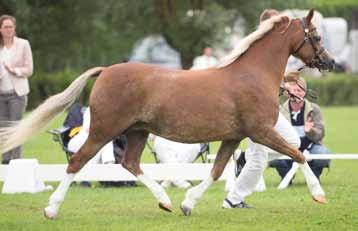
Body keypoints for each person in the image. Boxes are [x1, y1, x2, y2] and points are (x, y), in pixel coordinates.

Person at [222, 9, 326, 209]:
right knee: (259, 157)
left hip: (269, 110)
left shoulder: (273, 49)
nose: (281, 29)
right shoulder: (254, 48)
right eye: (277, 25)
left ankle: (244, 162)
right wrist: (283, 84)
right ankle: (234, 199)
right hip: (254, 113)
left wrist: (285, 80)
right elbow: (251, 80)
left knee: (292, 141)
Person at [269, 72, 331, 181]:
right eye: (293, 90)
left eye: (299, 90)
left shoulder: (314, 109)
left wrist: (310, 131)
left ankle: (314, 177)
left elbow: (321, 134)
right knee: (274, 157)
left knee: (323, 154)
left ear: (305, 92)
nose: (296, 93)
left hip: (310, 146)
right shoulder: (280, 110)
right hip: (287, 147)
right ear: (288, 93)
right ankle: (287, 178)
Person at [0, 15, 33, 164]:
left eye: (10, 27)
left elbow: (29, 69)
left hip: (17, 94)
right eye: (5, 27)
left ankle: (16, 162)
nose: (8, 30)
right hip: (1, 93)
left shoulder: (23, 44)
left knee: (15, 127)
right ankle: (5, 161)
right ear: (0, 29)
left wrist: (15, 70)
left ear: (14, 28)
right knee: (3, 129)